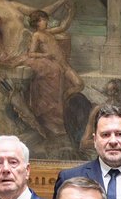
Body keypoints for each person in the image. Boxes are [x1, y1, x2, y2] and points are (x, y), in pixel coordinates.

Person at [15, 9, 84, 140]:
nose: (46, 22)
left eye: (46, 19)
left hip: (64, 65)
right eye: (42, 20)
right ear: (36, 22)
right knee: (58, 92)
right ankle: (58, 116)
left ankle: (64, 98)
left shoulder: (48, 32)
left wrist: (70, 11)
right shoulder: (36, 35)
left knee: (79, 84)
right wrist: (45, 55)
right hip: (55, 65)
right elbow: (31, 53)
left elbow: (63, 26)